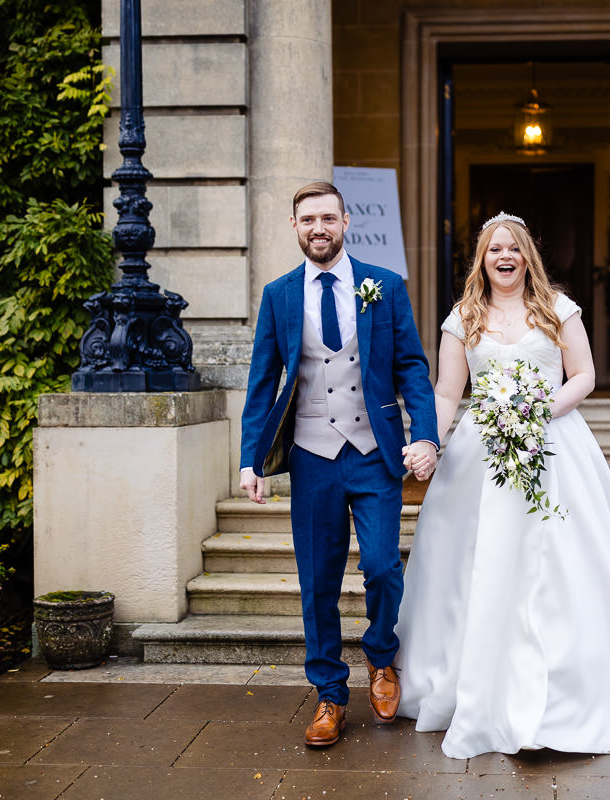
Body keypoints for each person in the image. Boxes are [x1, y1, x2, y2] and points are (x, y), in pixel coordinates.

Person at [393, 212, 610, 759]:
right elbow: (448, 393)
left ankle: (569, 682)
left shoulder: (558, 309)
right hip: (482, 449)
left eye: (514, 249)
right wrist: (429, 439)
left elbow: (585, 376)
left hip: (553, 441)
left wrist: (535, 411)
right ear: (481, 259)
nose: (504, 257)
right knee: (473, 560)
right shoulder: (462, 319)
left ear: (528, 256)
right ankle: (471, 674)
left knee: (559, 558)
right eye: (493, 249)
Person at [239, 181, 439, 748]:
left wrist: (424, 435)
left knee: (381, 566)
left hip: (373, 453)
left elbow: (412, 371)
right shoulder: (278, 295)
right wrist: (251, 460)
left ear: (346, 221)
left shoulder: (386, 286)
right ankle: (329, 693)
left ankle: (381, 658)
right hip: (311, 457)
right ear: (295, 226)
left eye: (328, 217)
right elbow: (262, 382)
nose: (318, 228)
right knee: (317, 582)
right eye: (307, 220)